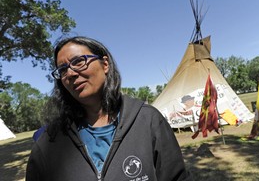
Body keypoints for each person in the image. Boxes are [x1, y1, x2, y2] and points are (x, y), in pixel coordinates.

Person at [26, 36, 191, 181]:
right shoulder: (49, 141)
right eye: (62, 70)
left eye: (78, 61)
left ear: (105, 64)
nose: (70, 73)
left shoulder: (147, 120)